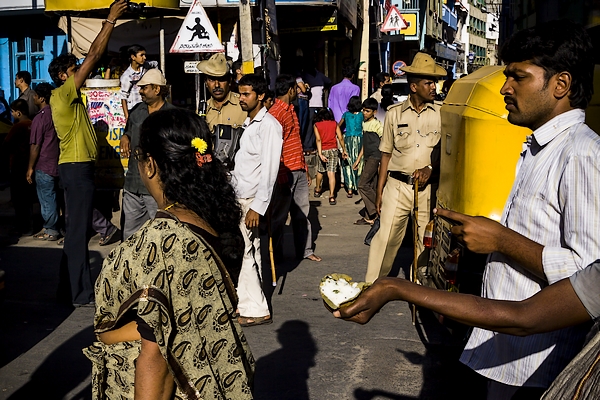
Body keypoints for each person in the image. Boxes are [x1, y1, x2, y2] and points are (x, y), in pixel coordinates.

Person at [84, 108, 254, 399]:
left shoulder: (161, 244)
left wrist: (108, 336)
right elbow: (183, 319)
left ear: (149, 165)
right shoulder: (220, 223)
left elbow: (156, 353)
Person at [48, 0, 127, 307]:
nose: (79, 73)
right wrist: (109, 20)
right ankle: (80, 293)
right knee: (79, 233)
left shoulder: (69, 97)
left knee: (76, 231)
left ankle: (66, 289)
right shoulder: (65, 93)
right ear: (63, 77)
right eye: (73, 70)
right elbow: (93, 56)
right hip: (76, 168)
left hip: (76, 168)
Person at [364, 52, 445, 284]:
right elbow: (386, 155)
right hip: (397, 186)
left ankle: (418, 289)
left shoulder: (442, 113)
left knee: (424, 241)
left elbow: (447, 153)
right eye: (428, 83)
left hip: (428, 189)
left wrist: (431, 168)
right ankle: (372, 288)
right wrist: (380, 192)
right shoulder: (393, 114)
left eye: (434, 82)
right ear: (414, 86)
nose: (433, 87)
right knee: (386, 238)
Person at [233, 74, 282, 327]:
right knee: (248, 251)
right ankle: (249, 302)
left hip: (252, 199)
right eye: (240, 93)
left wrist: (258, 207)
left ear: (260, 95)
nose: (241, 98)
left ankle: (256, 308)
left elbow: (270, 171)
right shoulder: (249, 123)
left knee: (245, 252)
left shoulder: (269, 126)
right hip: (240, 195)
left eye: (246, 94)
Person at [268, 74, 322, 263]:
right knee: (279, 217)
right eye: (296, 89)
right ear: (290, 90)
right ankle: (275, 255)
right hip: (285, 172)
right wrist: (282, 173)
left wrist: (304, 168)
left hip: (297, 168)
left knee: (301, 215)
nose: (298, 92)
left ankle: (305, 251)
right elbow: (275, 146)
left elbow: (295, 141)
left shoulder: (292, 109)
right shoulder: (276, 113)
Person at [120, 69, 177, 240]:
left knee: (160, 234)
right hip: (133, 184)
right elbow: (129, 129)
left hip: (159, 187)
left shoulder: (172, 115)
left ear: (157, 89)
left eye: (145, 88)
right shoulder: (137, 110)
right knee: (131, 236)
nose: (141, 91)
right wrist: (125, 136)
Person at [26, 83, 61, 241]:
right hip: (56, 161)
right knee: (53, 196)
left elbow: (35, 145)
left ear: (41, 98)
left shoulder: (40, 118)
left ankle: (51, 229)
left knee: (46, 198)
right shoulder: (55, 114)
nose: (33, 98)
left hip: (44, 163)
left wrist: (30, 167)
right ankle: (49, 227)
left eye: (35, 96)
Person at [5, 99, 33, 235]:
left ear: (19, 113)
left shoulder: (18, 127)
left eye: (12, 112)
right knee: (27, 198)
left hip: (17, 165)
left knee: (18, 198)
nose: (11, 114)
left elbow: (6, 144)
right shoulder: (33, 124)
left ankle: (22, 226)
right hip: (30, 164)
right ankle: (29, 225)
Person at [354, 98, 383, 225]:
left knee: (362, 184)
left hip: (375, 157)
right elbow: (365, 145)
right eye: (363, 110)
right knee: (371, 185)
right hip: (367, 156)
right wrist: (358, 159)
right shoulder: (364, 124)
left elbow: (384, 143)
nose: (364, 113)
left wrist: (383, 161)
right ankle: (369, 217)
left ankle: (379, 207)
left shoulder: (378, 125)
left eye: (367, 111)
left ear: (374, 112)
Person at [313, 108, 348, 205]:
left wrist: (320, 154)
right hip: (333, 150)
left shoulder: (316, 125)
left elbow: (318, 140)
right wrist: (344, 150)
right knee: (331, 173)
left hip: (322, 150)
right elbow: (340, 138)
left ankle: (317, 189)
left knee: (320, 171)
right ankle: (332, 195)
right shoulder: (334, 123)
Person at [119, 44, 158, 121]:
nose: (144, 58)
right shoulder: (127, 76)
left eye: (145, 55)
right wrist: (127, 116)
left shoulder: (146, 66)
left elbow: (155, 63)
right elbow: (123, 97)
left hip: (146, 107)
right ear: (133, 57)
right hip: (134, 109)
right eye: (141, 55)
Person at [302, 62, 332, 151]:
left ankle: (308, 145)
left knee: (311, 127)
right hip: (317, 105)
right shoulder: (319, 75)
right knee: (316, 126)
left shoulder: (306, 75)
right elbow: (329, 82)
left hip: (312, 105)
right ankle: (311, 145)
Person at [339, 95, 364, 198]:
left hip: (348, 139)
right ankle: (358, 186)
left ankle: (349, 188)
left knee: (347, 163)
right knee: (359, 162)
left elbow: (338, 126)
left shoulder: (346, 115)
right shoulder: (362, 115)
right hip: (359, 139)